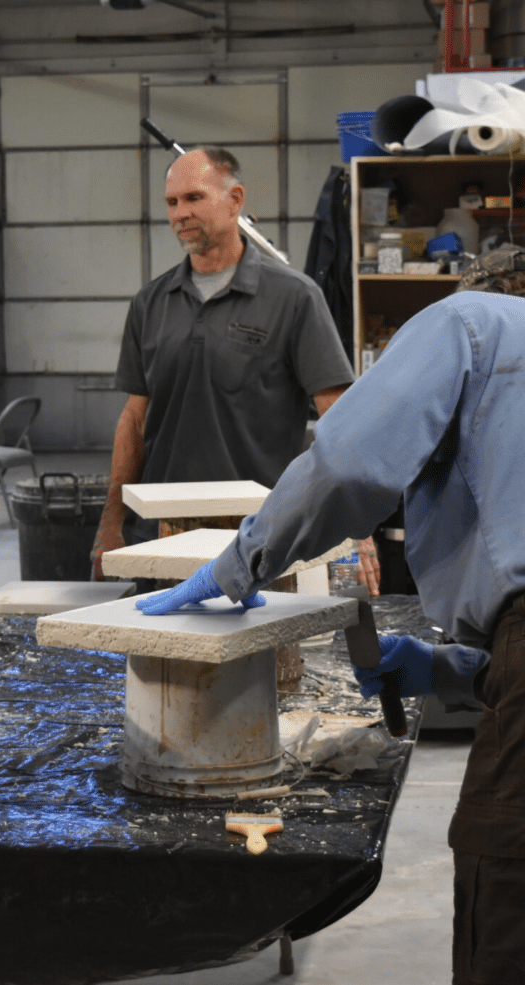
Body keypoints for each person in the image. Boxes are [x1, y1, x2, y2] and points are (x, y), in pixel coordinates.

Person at [135, 245, 525, 985]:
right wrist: (455, 669)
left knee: (507, 898)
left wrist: (239, 561)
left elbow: (348, 461)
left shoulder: (472, 319)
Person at [90, 146, 361, 581]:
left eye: (194, 198)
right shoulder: (151, 303)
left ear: (235, 200)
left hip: (259, 535)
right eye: (172, 202)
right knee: (161, 646)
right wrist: (110, 523)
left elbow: (339, 417)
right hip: (163, 533)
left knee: (259, 646)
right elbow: (134, 422)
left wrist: (356, 526)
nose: (180, 213)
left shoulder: (294, 297)